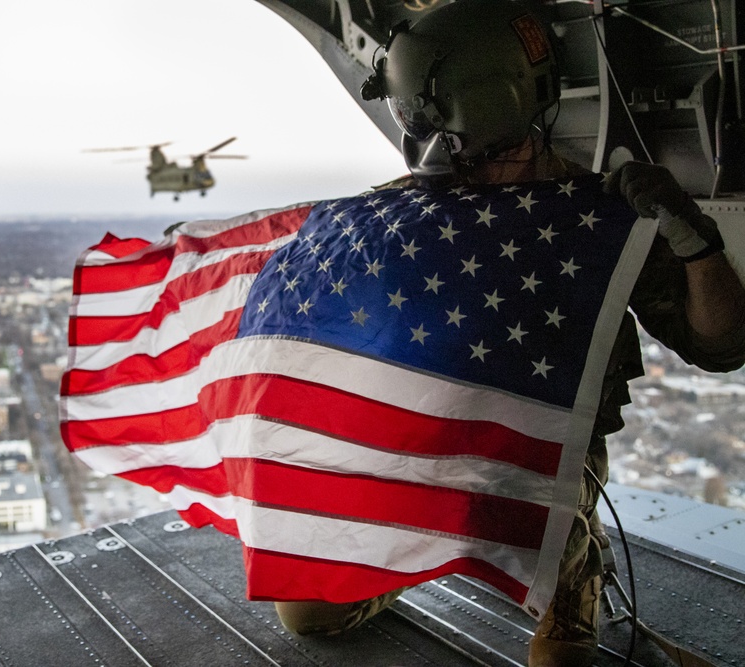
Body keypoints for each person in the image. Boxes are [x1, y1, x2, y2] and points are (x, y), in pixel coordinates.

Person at [273, 2, 745, 666]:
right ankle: (437, 548)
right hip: (426, 461)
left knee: (563, 661)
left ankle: (574, 571)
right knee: (310, 613)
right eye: (449, 157)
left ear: (526, 112)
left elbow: (722, 345)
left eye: (490, 155)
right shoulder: (413, 208)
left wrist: (694, 244)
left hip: (545, 477)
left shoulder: (599, 220)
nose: (467, 178)